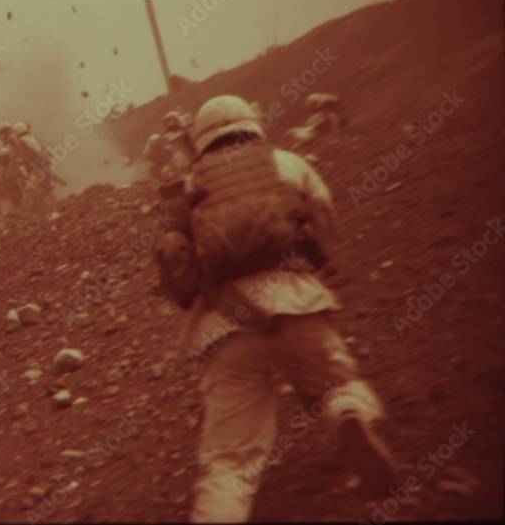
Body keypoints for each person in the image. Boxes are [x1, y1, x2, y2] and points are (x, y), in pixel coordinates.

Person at [153, 95, 396, 522]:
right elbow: (325, 219)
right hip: (296, 305)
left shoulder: (190, 186)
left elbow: (177, 265)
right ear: (252, 124)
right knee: (336, 386)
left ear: (200, 137)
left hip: (223, 328)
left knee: (230, 461)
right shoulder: (286, 163)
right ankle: (346, 414)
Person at [142, 111, 194, 180]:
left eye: (173, 122)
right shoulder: (165, 138)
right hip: (173, 167)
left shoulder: (186, 133)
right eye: (168, 122)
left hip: (186, 162)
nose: (171, 124)